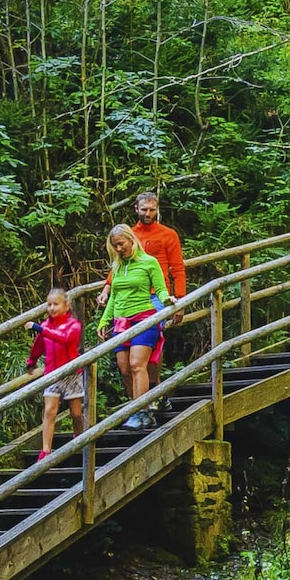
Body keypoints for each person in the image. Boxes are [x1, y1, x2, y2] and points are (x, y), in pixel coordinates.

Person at [95, 223, 174, 429]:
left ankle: (143, 411)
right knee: (124, 368)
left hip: (144, 319)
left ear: (131, 240)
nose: (119, 249)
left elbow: (161, 289)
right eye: (115, 246)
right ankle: (136, 409)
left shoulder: (149, 262)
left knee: (137, 365)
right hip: (121, 322)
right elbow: (114, 296)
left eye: (121, 244)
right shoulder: (118, 266)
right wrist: (105, 319)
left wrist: (168, 302)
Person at [23, 288, 86, 458]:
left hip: (72, 373)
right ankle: (45, 450)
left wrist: (39, 328)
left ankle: (79, 437)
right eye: (49, 304)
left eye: (55, 304)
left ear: (66, 306)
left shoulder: (74, 325)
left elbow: (64, 338)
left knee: (76, 413)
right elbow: (39, 344)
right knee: (49, 410)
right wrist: (32, 361)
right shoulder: (45, 326)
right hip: (52, 374)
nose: (51, 308)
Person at [130, 191, 187, 356]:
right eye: (144, 209)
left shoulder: (168, 234)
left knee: (148, 339)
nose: (148, 214)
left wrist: (180, 303)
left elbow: (178, 269)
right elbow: (119, 265)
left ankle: (154, 382)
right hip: (131, 295)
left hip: (157, 295)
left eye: (152, 210)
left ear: (157, 210)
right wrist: (107, 287)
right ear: (136, 209)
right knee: (130, 347)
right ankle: (147, 381)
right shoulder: (130, 235)